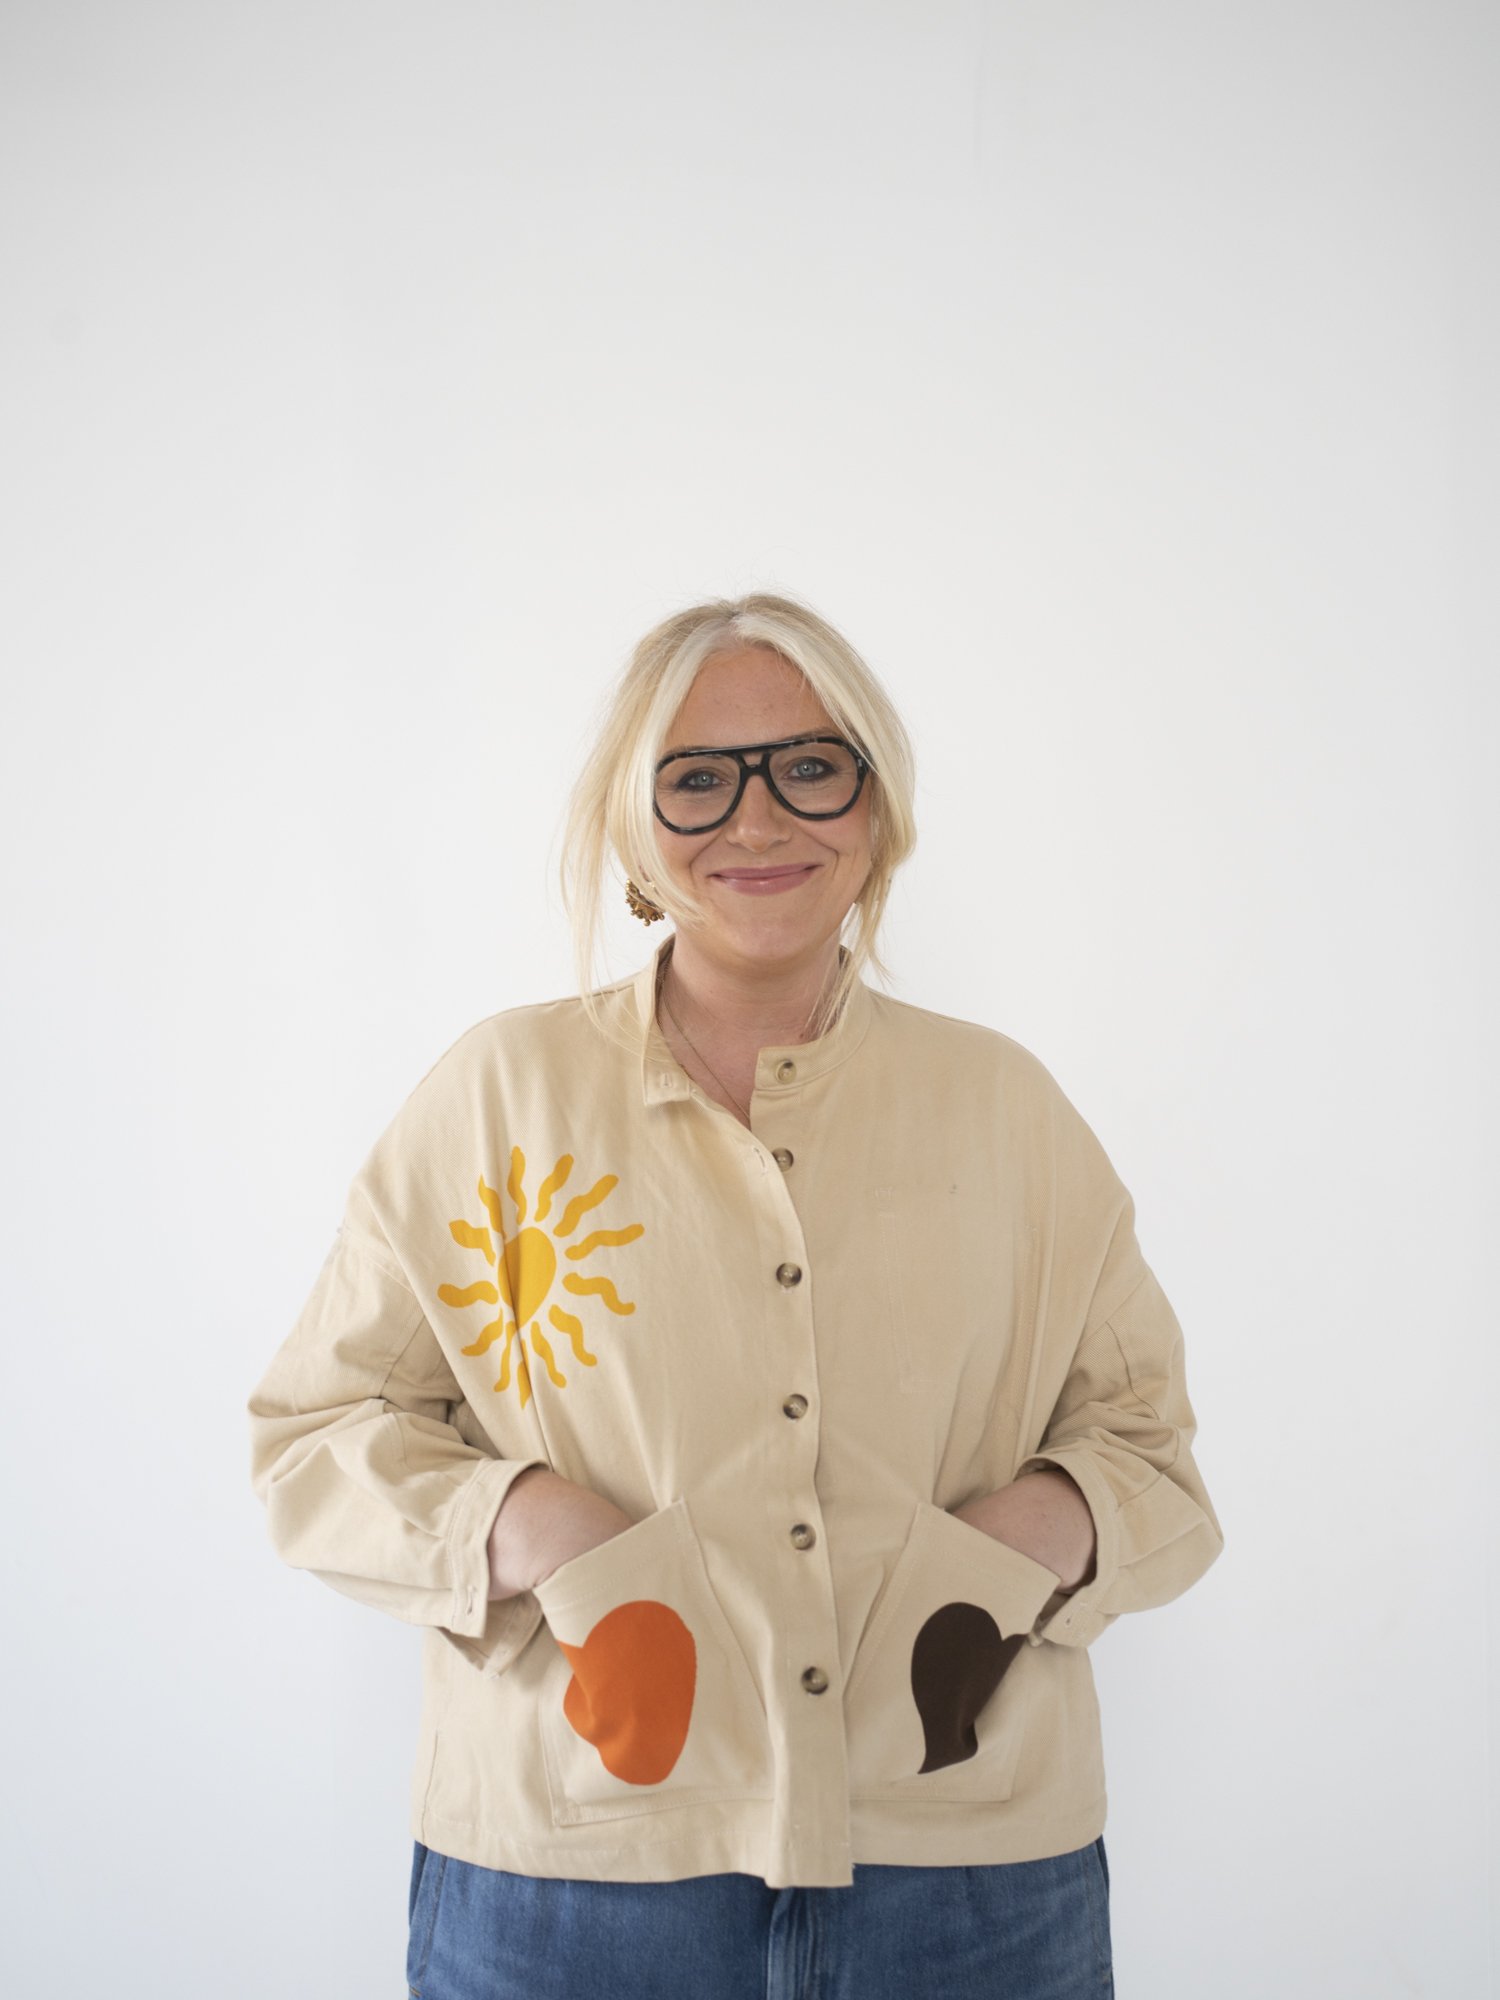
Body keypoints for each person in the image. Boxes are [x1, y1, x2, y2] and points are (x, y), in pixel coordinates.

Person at [248, 591, 1223, 2000]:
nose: (757, 821)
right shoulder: (498, 1098)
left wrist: (1017, 1543)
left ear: (876, 809)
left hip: (969, 1885)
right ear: (635, 830)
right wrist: (537, 1526)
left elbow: (1150, 1454)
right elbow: (316, 1435)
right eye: (698, 779)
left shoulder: (1011, 1112)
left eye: (810, 767)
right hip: (572, 1883)